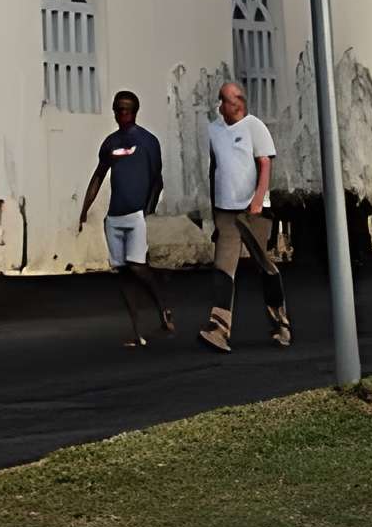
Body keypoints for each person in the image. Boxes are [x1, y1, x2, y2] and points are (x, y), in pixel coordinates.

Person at [197, 80, 290, 353]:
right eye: (227, 99)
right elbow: (215, 168)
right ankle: (219, 329)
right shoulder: (214, 130)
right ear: (222, 104)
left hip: (253, 210)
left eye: (236, 99)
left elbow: (265, 163)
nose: (233, 104)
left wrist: (258, 200)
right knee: (223, 269)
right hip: (225, 212)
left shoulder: (254, 127)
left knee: (264, 265)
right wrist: (214, 210)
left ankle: (281, 323)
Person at [78, 89, 174, 346]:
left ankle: (162, 305)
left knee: (137, 266)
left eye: (126, 109)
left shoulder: (147, 141)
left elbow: (157, 179)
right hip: (114, 217)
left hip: (135, 214)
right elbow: (99, 175)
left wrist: (148, 208)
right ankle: (137, 331)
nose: (122, 114)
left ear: (134, 111)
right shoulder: (110, 143)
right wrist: (85, 208)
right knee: (123, 274)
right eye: (118, 109)